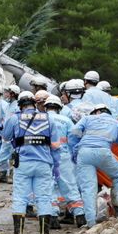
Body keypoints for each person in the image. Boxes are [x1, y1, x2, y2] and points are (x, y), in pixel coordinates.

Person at [2, 90, 59, 234]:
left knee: (20, 197)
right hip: (44, 164)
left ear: (20, 105)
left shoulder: (15, 118)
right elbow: (55, 145)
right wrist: (57, 166)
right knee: (44, 197)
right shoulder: (48, 119)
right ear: (34, 104)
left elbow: (6, 137)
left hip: (24, 164)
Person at [44, 94, 86, 227]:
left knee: (49, 186)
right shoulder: (66, 120)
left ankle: (53, 218)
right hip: (64, 156)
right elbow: (74, 139)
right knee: (70, 185)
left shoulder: (42, 119)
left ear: (46, 107)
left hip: (47, 157)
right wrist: (74, 157)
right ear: (59, 107)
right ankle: (79, 216)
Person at [0, 84, 19, 180]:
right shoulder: (8, 105)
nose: (6, 94)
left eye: (8, 92)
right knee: (1, 158)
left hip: (13, 136)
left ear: (12, 94)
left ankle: (10, 175)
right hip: (6, 135)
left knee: (12, 156)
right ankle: (4, 174)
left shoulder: (17, 106)